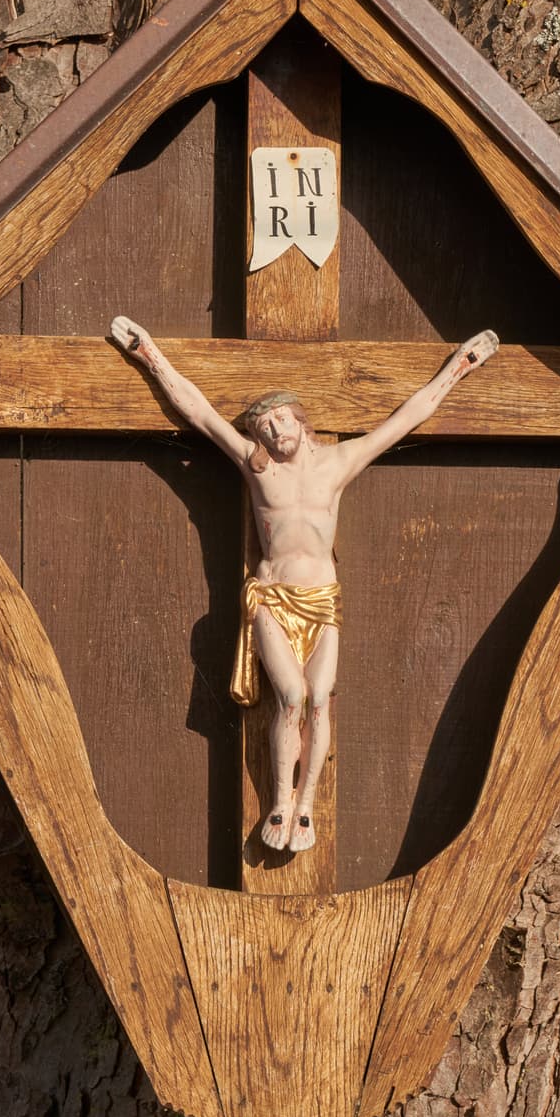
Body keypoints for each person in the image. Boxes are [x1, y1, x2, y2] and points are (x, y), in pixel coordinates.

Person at [109, 316, 499, 852]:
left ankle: (307, 804)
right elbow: (198, 411)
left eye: (280, 420)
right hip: (273, 597)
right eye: (264, 427)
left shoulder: (338, 463)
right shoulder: (257, 469)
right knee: (290, 697)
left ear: (300, 419)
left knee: (319, 702)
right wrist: (149, 354)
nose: (273, 432)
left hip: (322, 600)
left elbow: (406, 418)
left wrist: (459, 366)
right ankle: (280, 801)